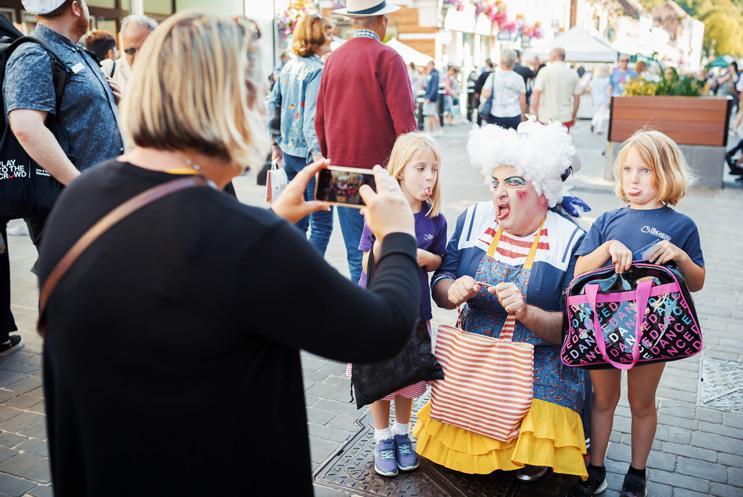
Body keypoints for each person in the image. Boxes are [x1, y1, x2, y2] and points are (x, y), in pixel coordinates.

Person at [37, 12, 421, 497]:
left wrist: (274, 220)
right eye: (255, 89)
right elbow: (382, 329)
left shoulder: (82, 197)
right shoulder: (245, 242)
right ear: (230, 101)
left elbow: (182, 277)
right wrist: (396, 235)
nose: (263, 108)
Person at [413, 120, 589, 482]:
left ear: (543, 191)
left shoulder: (570, 239)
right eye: (495, 182)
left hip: (538, 354)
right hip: (474, 350)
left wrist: (526, 312)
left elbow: (572, 331)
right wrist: (452, 290)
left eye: (513, 182)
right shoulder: (474, 219)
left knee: (542, 413)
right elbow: (441, 285)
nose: (499, 193)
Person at [568, 130, 705, 497]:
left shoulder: (681, 226)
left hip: (653, 328)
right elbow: (580, 270)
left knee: (642, 403)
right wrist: (609, 247)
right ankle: (596, 469)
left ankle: (637, 473)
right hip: (603, 324)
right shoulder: (607, 220)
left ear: (665, 174)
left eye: (644, 170)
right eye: (627, 169)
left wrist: (680, 256)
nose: (633, 178)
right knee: (602, 400)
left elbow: (697, 282)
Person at [1, 0, 124, 356]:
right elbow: (25, 126)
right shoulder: (35, 55)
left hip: (97, 197)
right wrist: (80, 184)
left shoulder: (73, 52)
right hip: (70, 202)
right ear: (76, 7)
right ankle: (78, 374)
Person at [348, 132, 447, 477]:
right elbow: (364, 264)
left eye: (434, 169)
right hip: (376, 309)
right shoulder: (381, 210)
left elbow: (440, 261)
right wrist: (391, 238)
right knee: (380, 378)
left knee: (408, 378)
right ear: (400, 172)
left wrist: (425, 257)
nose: (430, 176)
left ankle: (402, 435)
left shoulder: (435, 219)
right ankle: (381, 437)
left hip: (415, 313)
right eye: (421, 168)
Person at [316, 0, 417, 284]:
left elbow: (319, 121)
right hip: (380, 173)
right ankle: (381, 312)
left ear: (353, 21)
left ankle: (359, 314)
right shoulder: (388, 57)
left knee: (354, 251)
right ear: (381, 21)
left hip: (340, 171)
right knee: (387, 247)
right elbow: (405, 124)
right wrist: (410, 169)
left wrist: (329, 160)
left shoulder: (333, 59)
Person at [268, 14, 334, 255]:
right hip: (310, 157)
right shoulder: (317, 70)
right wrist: (319, 156)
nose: (332, 36)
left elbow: (273, 103)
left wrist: (275, 141)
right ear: (315, 36)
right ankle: (310, 277)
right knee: (322, 224)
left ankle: (293, 269)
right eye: (327, 32)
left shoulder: (289, 66)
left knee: (297, 220)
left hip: (289, 153)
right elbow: (312, 121)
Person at [100, 14, 157, 94]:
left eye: (144, 50)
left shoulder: (168, 74)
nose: (137, 58)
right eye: (130, 51)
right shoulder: (108, 71)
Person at [531, 47, 580, 131]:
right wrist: (574, 114)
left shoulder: (544, 71)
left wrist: (534, 113)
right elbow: (577, 98)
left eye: (550, 55)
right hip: (565, 117)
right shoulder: (573, 73)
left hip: (546, 117)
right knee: (563, 142)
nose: (549, 58)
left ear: (554, 56)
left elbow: (536, 94)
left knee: (547, 142)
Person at [480, 48, 526, 130]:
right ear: (513, 62)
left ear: (501, 61)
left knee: (497, 141)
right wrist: (522, 115)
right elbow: (522, 101)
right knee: (513, 140)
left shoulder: (493, 76)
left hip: (496, 114)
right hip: (514, 115)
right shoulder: (519, 78)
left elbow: (485, 94)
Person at [473, 58, 495, 125]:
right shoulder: (495, 74)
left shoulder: (484, 74)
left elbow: (477, 85)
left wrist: (477, 92)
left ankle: (479, 124)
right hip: (493, 96)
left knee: (481, 109)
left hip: (482, 95)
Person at [589, 66, 611, 134]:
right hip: (604, 99)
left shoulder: (594, 80)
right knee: (601, 114)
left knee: (598, 113)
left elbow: (591, 90)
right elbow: (608, 91)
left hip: (596, 99)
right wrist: (610, 98)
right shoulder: (607, 79)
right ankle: (599, 129)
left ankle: (593, 123)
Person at [423, 60, 441, 134]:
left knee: (430, 114)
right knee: (433, 114)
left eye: (430, 65)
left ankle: (431, 131)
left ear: (433, 65)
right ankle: (437, 130)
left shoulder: (434, 75)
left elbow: (434, 88)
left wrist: (429, 98)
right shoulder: (432, 74)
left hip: (431, 98)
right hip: (430, 97)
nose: (428, 67)